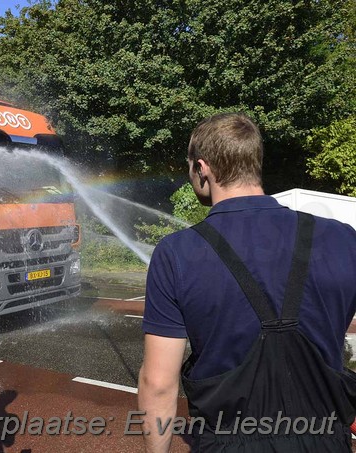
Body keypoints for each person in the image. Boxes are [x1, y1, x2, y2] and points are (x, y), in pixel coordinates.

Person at [138, 113, 356, 452]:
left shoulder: (176, 253)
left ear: (202, 168)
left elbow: (158, 384)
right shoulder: (344, 240)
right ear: (255, 164)